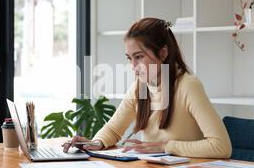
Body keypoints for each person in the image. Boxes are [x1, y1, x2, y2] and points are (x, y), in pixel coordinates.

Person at [63, 17, 232, 160]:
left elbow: (221, 147)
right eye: (130, 58)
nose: (133, 66)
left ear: (163, 53)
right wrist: (95, 143)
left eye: (139, 57)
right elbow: (114, 129)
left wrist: (166, 147)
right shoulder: (141, 87)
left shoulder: (188, 86)